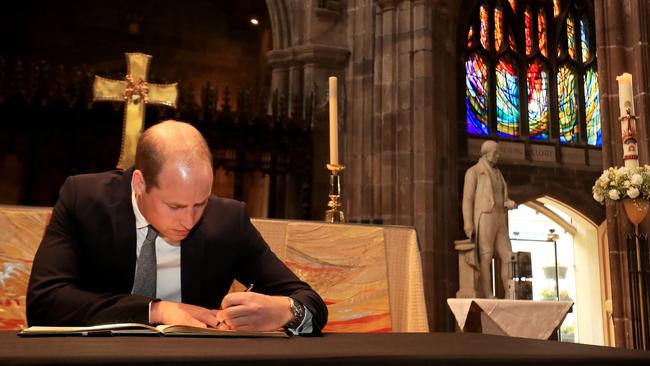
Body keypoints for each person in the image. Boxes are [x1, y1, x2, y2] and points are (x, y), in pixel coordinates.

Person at [26, 120, 327, 335]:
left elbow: (309, 301)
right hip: (96, 359)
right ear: (140, 183)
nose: (190, 219)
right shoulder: (85, 200)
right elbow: (44, 302)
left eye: (200, 203)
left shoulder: (227, 219)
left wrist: (287, 311)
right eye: (175, 207)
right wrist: (155, 310)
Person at [462, 140, 515, 299]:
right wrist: (468, 222)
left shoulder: (499, 173)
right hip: (485, 216)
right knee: (486, 255)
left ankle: (509, 292)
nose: (498, 156)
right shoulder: (474, 171)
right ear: (486, 153)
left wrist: (508, 202)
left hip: (500, 217)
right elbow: (467, 199)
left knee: (508, 255)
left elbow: (499, 195)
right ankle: (487, 293)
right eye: (495, 153)